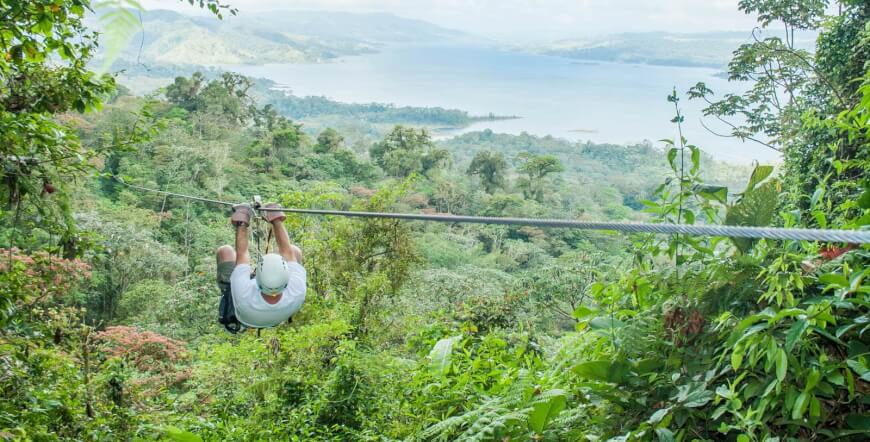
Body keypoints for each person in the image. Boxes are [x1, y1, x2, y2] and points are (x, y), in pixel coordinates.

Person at [216, 203, 306, 330]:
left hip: (244, 317)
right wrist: (276, 220)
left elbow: (242, 254)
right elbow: (288, 252)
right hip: (276, 315)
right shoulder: (297, 290)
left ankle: (226, 290)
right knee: (294, 251)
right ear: (287, 279)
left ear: (255, 278)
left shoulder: (243, 294)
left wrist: (242, 223)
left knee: (225, 252)